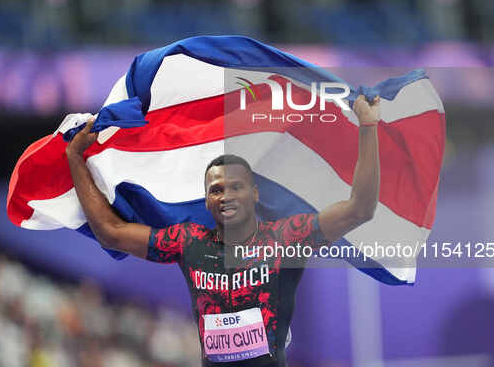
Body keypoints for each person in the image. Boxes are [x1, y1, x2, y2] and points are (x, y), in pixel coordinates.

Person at [65, 94, 381, 367]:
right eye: (216, 189)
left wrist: (368, 127)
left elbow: (360, 208)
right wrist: (75, 158)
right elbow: (111, 232)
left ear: (254, 193)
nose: (226, 196)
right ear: (206, 200)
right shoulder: (187, 242)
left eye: (236, 187)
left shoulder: (287, 238)